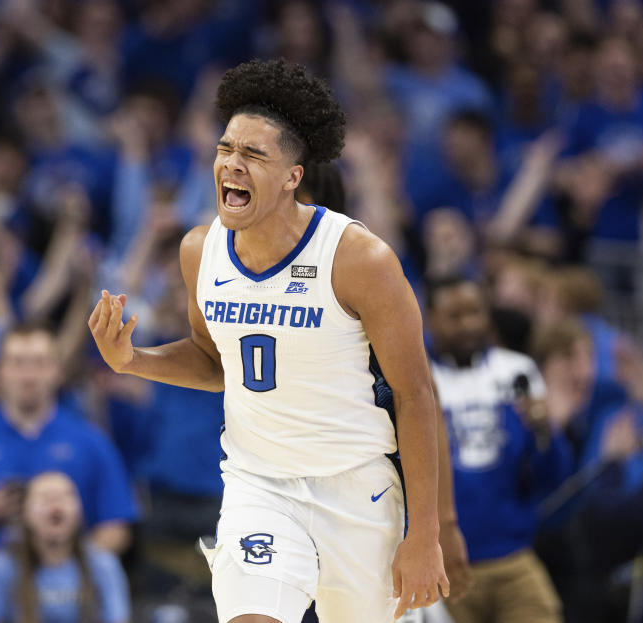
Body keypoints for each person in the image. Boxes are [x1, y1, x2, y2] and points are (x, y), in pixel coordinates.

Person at [89, 58, 448, 623]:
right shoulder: (199, 252)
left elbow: (417, 396)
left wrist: (425, 535)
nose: (232, 165)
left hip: (357, 490)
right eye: (225, 149)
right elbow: (214, 363)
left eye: (253, 155)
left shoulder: (359, 259)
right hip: (260, 484)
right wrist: (132, 360)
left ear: (292, 176)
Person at [425, 276, 572, 623]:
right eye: (454, 315)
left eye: (475, 312)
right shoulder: (417, 377)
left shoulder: (517, 371)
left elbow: (552, 476)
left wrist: (545, 432)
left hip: (513, 557)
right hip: (442, 563)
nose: (468, 325)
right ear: (429, 318)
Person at [0, 325, 136, 568]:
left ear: (58, 371)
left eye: (40, 363)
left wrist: (69, 570)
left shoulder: (91, 442)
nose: (29, 374)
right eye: (18, 363)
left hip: (67, 596)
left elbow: (116, 528)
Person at [0, 471, 130, 623]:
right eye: (45, 498)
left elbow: (117, 618)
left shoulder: (103, 564)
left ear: (79, 511)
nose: (55, 504)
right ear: (25, 512)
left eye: (64, 497)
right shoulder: (2, 565)